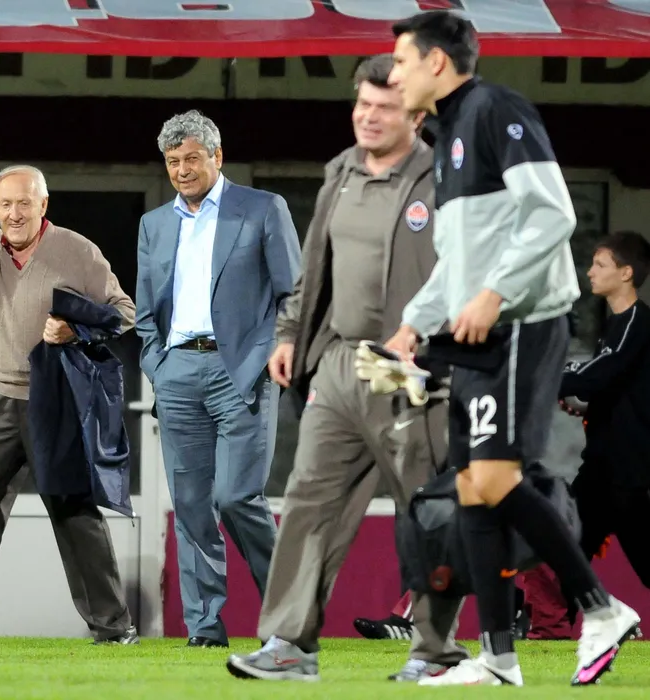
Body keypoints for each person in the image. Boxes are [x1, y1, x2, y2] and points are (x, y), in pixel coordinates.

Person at [383, 10, 640, 686]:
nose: (394, 75)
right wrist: (412, 325)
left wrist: (495, 293)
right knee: (473, 491)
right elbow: (458, 262)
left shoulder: (497, 109)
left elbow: (554, 212)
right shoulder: (446, 136)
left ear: (437, 62)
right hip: (478, 334)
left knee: (495, 479)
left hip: (524, 324)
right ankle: (498, 658)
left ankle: (602, 608)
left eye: (402, 61)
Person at [225, 54, 467, 683]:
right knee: (309, 499)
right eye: (363, 104)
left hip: (414, 373)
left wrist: (434, 341)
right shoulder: (342, 173)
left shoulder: (445, 179)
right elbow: (314, 267)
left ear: (416, 115)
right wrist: (289, 334)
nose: (369, 117)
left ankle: (435, 651)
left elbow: (468, 270)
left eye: (385, 107)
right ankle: (288, 644)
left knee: (426, 509)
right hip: (339, 362)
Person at [0, 133, 139, 645]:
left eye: (24, 203)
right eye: (6, 204)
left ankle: (113, 626)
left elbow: (124, 312)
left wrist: (75, 329)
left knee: (74, 512)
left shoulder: (77, 250)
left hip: (54, 401)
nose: (14, 214)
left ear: (43, 205)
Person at [135, 110, 301, 647]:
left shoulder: (263, 208)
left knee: (236, 498)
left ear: (217, 156)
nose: (182, 170)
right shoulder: (154, 224)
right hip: (177, 372)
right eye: (173, 162)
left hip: (242, 371)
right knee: (190, 506)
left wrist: (269, 354)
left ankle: (289, 617)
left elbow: (293, 293)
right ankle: (205, 627)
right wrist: (157, 365)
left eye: (192, 159)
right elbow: (145, 310)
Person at [559, 231, 650, 616]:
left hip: (625, 469)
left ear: (626, 273)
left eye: (600, 264)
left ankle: (552, 626)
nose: (590, 272)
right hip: (603, 466)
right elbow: (615, 388)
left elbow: (599, 374)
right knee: (569, 553)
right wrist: (588, 409)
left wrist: (545, 376)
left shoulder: (635, 322)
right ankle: (548, 629)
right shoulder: (616, 325)